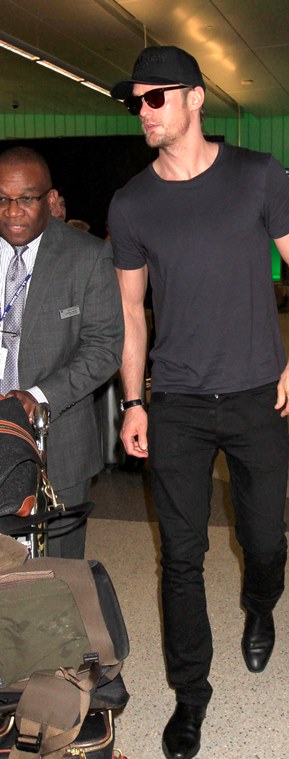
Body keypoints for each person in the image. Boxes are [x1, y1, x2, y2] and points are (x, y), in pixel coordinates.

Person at [108, 45, 289, 759]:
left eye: (155, 97)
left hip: (259, 393)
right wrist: (133, 402)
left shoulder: (257, 175)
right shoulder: (131, 203)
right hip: (177, 402)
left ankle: (260, 605)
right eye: (134, 101)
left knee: (264, 540)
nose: (142, 111)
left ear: (195, 98)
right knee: (181, 557)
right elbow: (131, 312)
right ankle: (190, 694)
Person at [0, 146, 124, 557]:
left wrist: (37, 396)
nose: (12, 211)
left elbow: (104, 349)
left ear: (50, 198)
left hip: (60, 443)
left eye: (26, 198)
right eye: (2, 199)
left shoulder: (87, 256)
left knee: (60, 569)